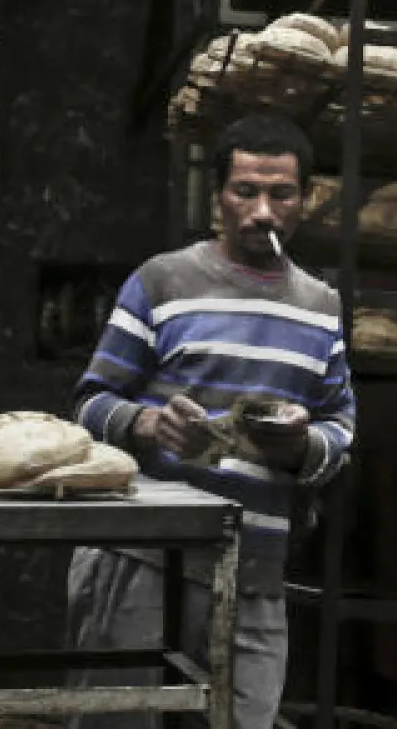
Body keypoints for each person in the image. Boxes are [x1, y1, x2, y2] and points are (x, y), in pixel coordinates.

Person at [66, 113, 356, 729]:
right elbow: (90, 404)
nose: (263, 211)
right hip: (143, 558)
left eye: (281, 193)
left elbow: (341, 429)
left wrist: (302, 444)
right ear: (217, 197)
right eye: (245, 191)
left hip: (254, 565)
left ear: (306, 200)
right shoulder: (162, 281)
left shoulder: (321, 307)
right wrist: (148, 426)